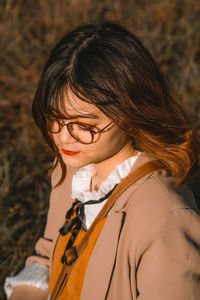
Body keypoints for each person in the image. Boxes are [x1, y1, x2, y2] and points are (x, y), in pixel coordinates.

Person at [4, 21, 200, 300]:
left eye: (83, 124)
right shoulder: (71, 169)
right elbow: (49, 252)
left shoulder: (165, 221)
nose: (62, 137)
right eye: (54, 118)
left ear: (131, 111)